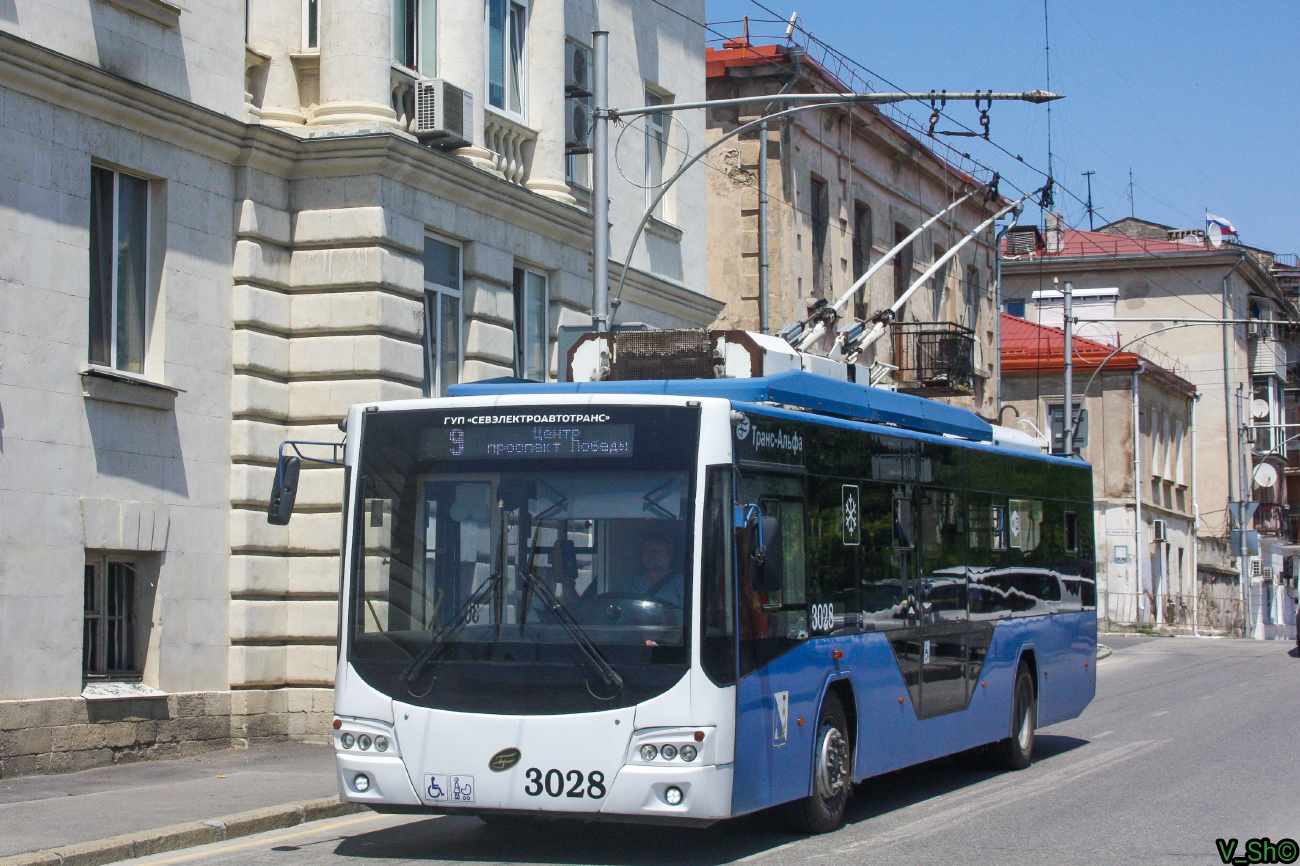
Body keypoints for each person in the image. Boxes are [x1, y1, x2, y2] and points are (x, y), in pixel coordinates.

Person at [621, 532, 684, 608]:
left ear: (669, 555)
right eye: (646, 552)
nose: (650, 556)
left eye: (656, 551)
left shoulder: (680, 582)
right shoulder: (635, 583)